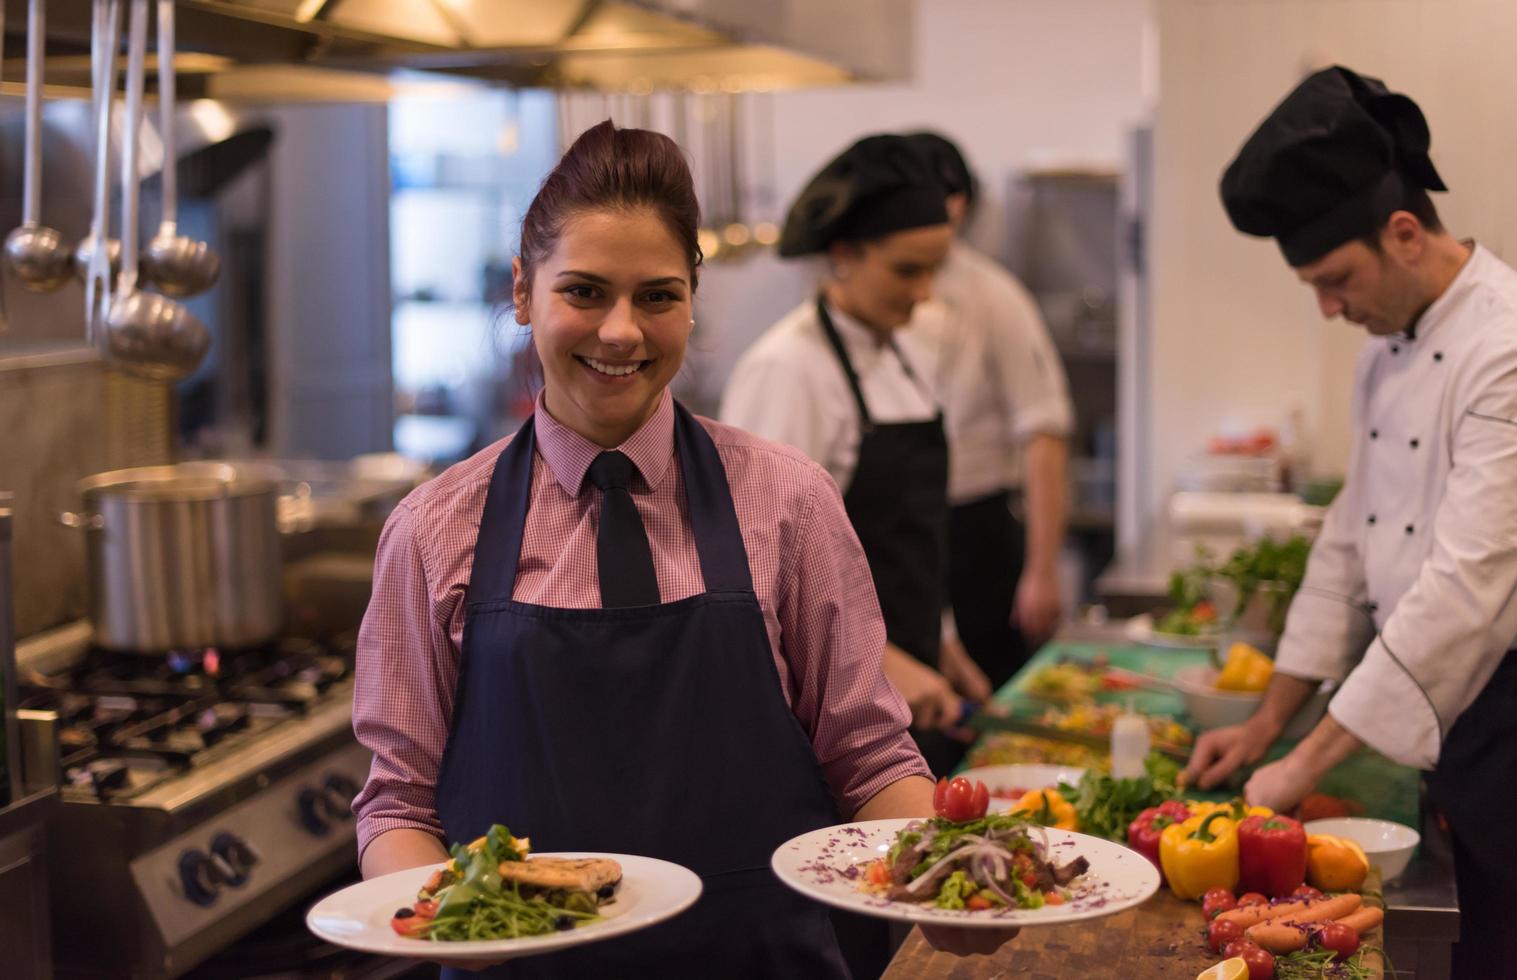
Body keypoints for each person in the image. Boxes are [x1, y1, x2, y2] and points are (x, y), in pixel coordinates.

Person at [351, 120, 1014, 979]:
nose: (621, 331)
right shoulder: (433, 529)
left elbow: (869, 754)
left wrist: (944, 878)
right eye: (584, 292)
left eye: (657, 296)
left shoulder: (788, 502)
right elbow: (398, 799)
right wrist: (443, 921)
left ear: (691, 300)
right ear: (522, 292)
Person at [1183, 66, 1517, 978]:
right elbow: (1344, 549)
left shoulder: (1506, 349)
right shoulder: (1385, 351)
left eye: (1334, 279)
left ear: (1403, 233)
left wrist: (1303, 766)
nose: (1328, 309)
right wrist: (1265, 725)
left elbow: (1465, 593)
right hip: (1449, 715)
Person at [720, 134, 990, 774]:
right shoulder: (789, 369)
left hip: (912, 684)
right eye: (907, 271)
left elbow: (906, 540)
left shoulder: (902, 353)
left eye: (934, 270)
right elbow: (756, 567)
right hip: (831, 704)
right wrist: (882, 661)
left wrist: (943, 642)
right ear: (843, 254)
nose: (924, 294)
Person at [900, 132, 1075, 689]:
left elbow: (1044, 433)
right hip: (905, 531)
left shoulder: (994, 295)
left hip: (977, 529)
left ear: (960, 205)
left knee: (988, 697)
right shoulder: (870, 299)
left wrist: (1042, 571)